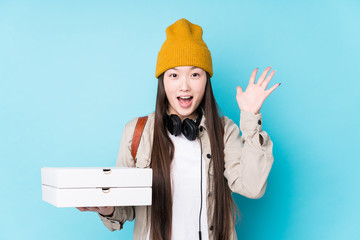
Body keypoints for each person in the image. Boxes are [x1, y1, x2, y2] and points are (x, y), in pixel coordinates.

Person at [77, 18, 280, 240]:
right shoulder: (137, 132)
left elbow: (252, 187)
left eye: (195, 74)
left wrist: (250, 118)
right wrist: (106, 209)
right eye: (174, 75)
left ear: (206, 80)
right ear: (163, 81)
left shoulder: (223, 131)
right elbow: (126, 208)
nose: (185, 86)